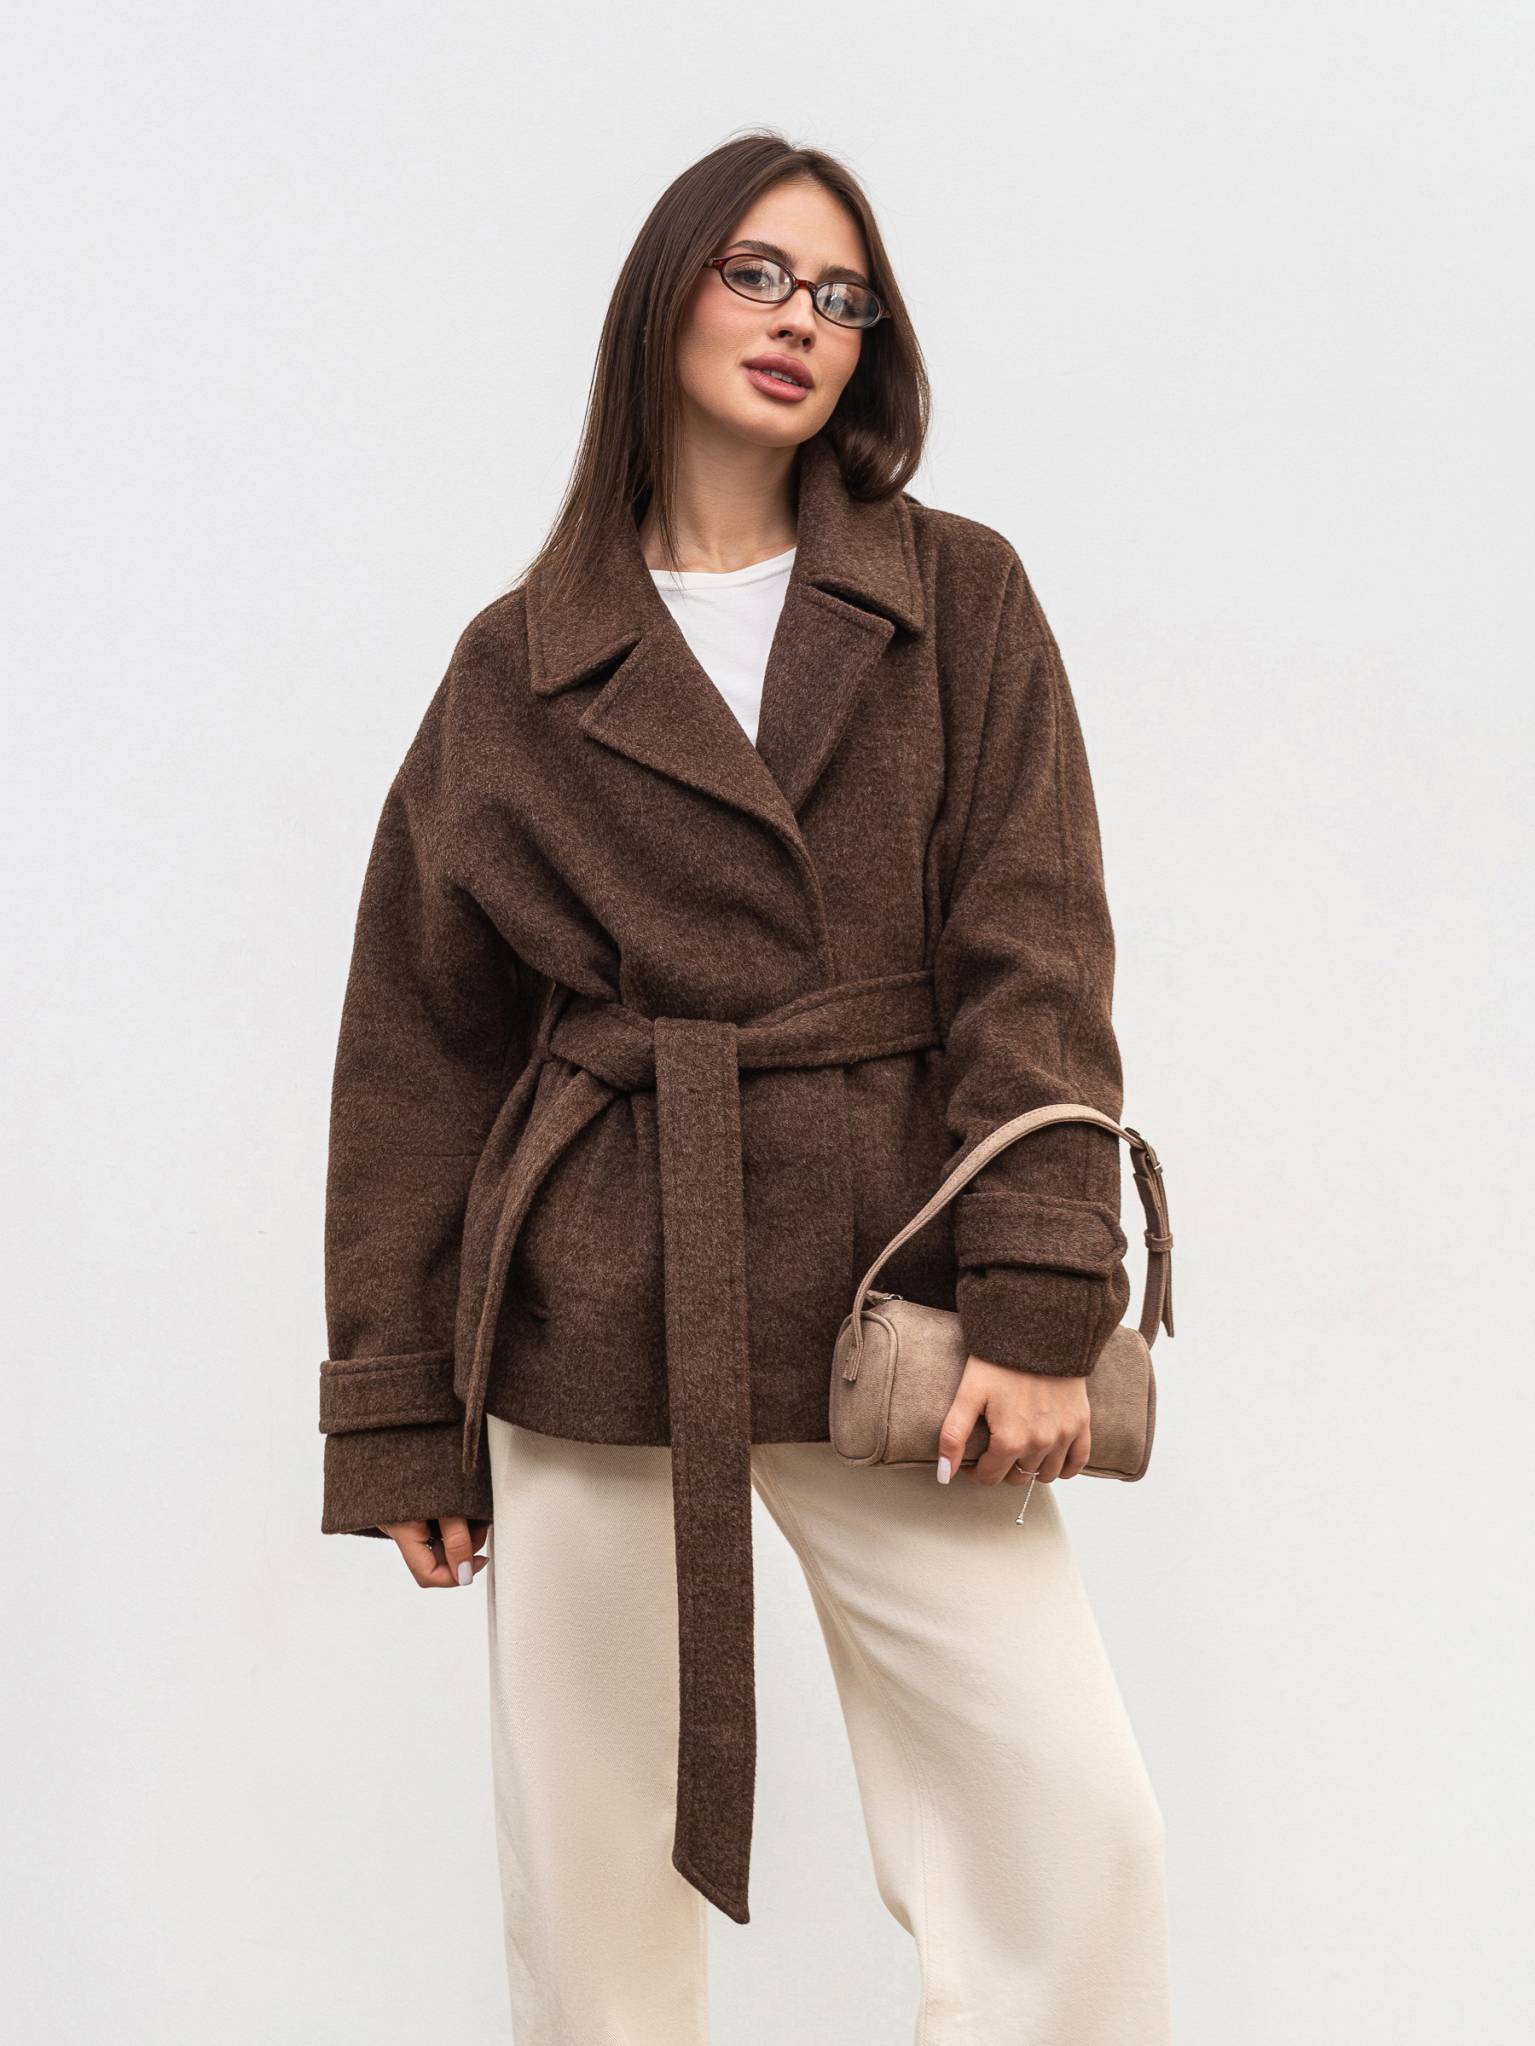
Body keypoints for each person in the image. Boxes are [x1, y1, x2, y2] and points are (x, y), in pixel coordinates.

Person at [317, 129, 1173, 2043]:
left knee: (1070, 1827)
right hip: (599, 1298)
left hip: (898, 1291)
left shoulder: (958, 597)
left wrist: (1040, 1296)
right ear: (668, 297)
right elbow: (420, 1043)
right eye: (759, 274)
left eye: (842, 296)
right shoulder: (520, 665)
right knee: (589, 1895)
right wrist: (399, 1414)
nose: (801, 320)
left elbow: (1037, 946)